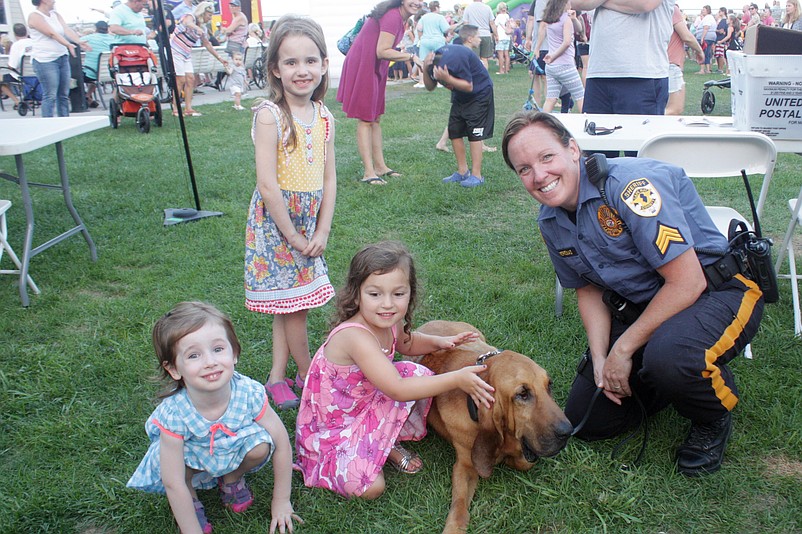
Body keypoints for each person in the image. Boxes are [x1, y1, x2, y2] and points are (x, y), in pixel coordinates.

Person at [501, 111, 764, 476]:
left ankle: (711, 415)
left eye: (547, 157)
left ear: (573, 149)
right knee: (589, 421)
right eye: (524, 168)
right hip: (650, 307)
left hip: (716, 290)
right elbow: (587, 287)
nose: (539, 175)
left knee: (670, 357)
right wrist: (599, 359)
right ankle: (667, 377)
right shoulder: (550, 220)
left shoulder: (630, 187)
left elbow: (687, 282)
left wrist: (623, 350)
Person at [295, 241, 495, 499]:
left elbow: (407, 343)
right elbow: (398, 390)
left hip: (366, 400)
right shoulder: (356, 337)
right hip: (336, 427)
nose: (387, 304)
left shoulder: (390, 320)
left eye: (398, 294)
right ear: (356, 294)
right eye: (375, 294)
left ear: (410, 293)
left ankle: (383, 442)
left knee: (416, 372)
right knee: (371, 488)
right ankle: (379, 445)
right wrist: (457, 378)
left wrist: (440, 342)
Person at [126, 302, 302, 534]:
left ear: (235, 353)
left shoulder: (248, 392)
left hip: (228, 447)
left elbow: (282, 445)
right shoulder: (174, 413)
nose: (210, 361)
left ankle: (231, 478)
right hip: (189, 460)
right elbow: (173, 481)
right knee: (174, 469)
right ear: (174, 369)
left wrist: (280, 501)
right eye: (194, 355)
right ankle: (191, 500)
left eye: (218, 349)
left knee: (261, 444)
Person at [246, 15, 337, 412]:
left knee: (290, 304)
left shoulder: (324, 117)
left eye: (310, 61)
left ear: (323, 64)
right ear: (275, 70)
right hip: (276, 225)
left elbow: (330, 179)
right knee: (295, 308)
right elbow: (268, 186)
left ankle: (276, 377)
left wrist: (322, 230)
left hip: (308, 224)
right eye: (291, 62)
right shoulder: (271, 115)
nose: (302, 70)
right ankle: (310, 373)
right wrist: (295, 236)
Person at [337, 0, 422, 186]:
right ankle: (368, 172)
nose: (417, 2)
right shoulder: (392, 16)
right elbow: (382, 51)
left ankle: (381, 167)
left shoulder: (401, 18)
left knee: (375, 119)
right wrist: (411, 57)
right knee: (366, 119)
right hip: (363, 65)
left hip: (374, 67)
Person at [571, 0, 674, 119]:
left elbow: (645, 4)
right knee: (595, 135)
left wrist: (596, 3)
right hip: (599, 73)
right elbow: (575, 2)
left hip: (642, 74)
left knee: (637, 136)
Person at [424, 24, 494, 188]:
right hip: (460, 95)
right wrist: (426, 68)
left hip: (480, 93)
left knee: (474, 133)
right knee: (454, 130)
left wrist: (448, 80)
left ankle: (477, 175)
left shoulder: (459, 57)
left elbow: (469, 86)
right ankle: (463, 172)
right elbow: (429, 86)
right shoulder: (434, 60)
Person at [27, 0, 91, 118]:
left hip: (62, 57)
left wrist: (78, 41)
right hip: (45, 60)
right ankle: (48, 123)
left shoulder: (55, 15)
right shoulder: (35, 17)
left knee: (63, 94)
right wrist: (68, 44)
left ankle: (64, 122)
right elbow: (52, 34)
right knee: (50, 95)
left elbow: (66, 30)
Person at [169, 1, 228, 117]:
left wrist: (220, 58)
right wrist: (196, 28)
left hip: (186, 53)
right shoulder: (191, 16)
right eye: (209, 15)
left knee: (190, 79)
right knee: (180, 79)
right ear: (203, 13)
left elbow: (207, 44)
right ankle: (175, 108)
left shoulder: (204, 29)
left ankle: (188, 108)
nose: (210, 18)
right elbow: (187, 22)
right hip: (175, 50)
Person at [534, 0, 585, 114]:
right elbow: (567, 42)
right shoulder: (565, 19)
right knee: (581, 96)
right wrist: (553, 56)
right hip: (565, 65)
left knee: (551, 99)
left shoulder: (551, 19)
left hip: (551, 67)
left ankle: (543, 122)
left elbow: (579, 28)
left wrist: (573, 18)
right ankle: (586, 122)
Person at [665, 4, 704, 115]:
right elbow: (687, 37)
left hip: (659, 65)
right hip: (671, 65)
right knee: (675, 109)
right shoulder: (671, 8)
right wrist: (700, 51)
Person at [80, 21, 115, 109]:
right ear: (107, 29)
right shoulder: (114, 39)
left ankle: (84, 97)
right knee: (96, 75)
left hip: (92, 73)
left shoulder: (89, 38)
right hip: (110, 73)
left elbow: (76, 42)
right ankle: (88, 96)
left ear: (95, 29)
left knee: (73, 77)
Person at [1, 23, 33, 110]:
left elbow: (12, 65)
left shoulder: (16, 45)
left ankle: (17, 102)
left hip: (22, 76)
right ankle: (29, 99)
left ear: (15, 34)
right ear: (26, 32)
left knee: (2, 80)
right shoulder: (35, 42)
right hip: (37, 74)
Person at [462, 0, 496, 69]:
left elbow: (465, 23)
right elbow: (492, 23)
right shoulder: (487, 8)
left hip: (473, 35)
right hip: (486, 34)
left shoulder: (468, 8)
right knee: (484, 58)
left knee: (474, 58)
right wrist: (496, 35)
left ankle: (475, 75)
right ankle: (484, 75)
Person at [695, 5, 716, 75]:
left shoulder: (707, 18)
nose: (702, 11)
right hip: (710, 37)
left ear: (707, 10)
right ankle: (708, 69)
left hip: (706, 38)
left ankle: (702, 70)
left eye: (704, 9)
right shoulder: (711, 18)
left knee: (702, 52)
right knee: (707, 53)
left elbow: (706, 27)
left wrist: (702, 38)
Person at [494, 2, 512, 75]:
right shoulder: (507, 16)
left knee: (500, 55)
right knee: (507, 54)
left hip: (500, 37)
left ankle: (501, 70)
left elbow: (495, 25)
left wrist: (495, 36)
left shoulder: (499, 16)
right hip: (507, 37)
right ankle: (507, 70)